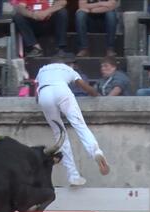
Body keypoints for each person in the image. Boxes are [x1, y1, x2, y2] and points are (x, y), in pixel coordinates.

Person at [35, 56, 110, 186]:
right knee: (80, 125)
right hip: (62, 91)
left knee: (60, 134)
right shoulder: (68, 69)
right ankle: (96, 152)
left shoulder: (42, 70)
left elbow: (36, 95)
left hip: (44, 93)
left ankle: (73, 175)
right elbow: (84, 87)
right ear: (67, 64)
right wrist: (96, 94)